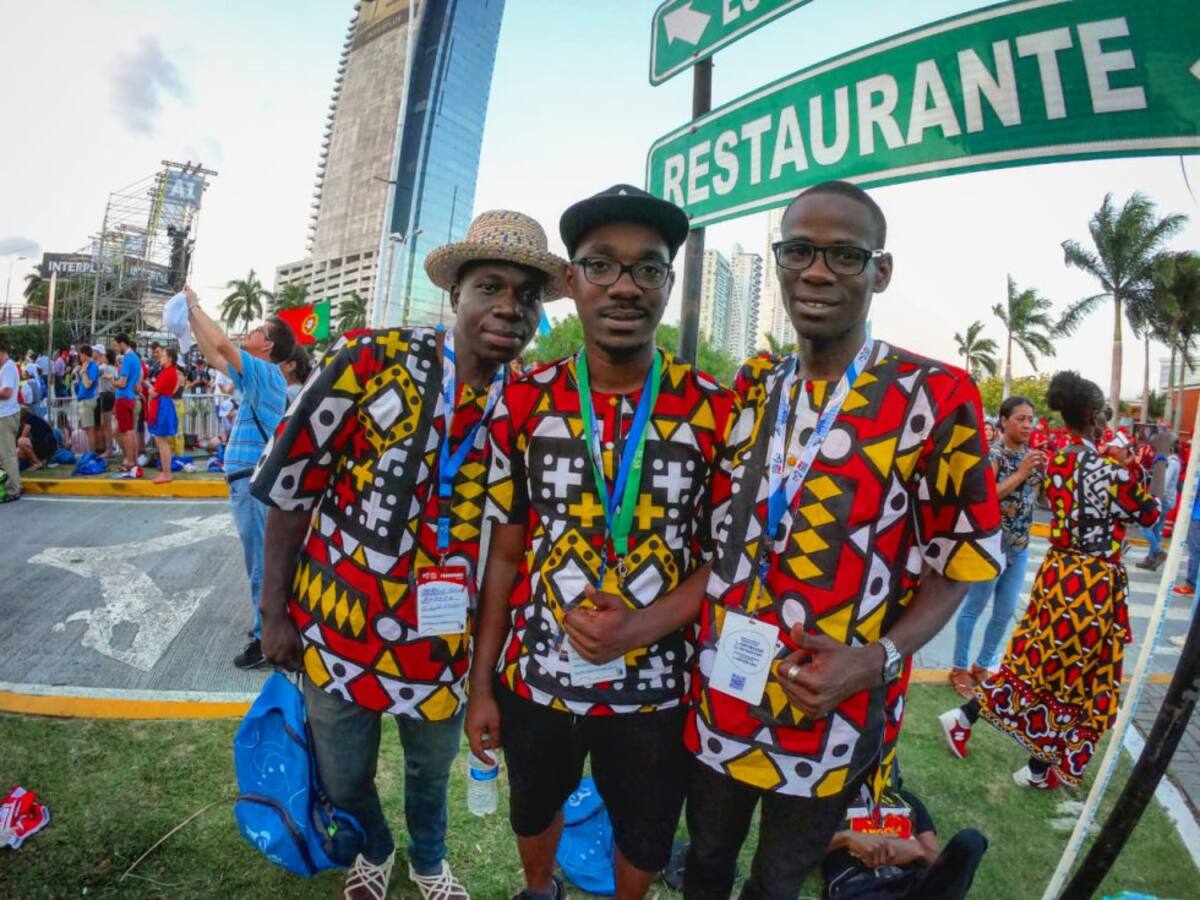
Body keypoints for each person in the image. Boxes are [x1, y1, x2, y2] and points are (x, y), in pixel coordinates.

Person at [682, 181, 1002, 900]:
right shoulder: (755, 386)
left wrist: (876, 659)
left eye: (844, 256)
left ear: (879, 271)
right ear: (780, 262)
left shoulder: (936, 395)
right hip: (724, 686)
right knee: (705, 856)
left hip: (833, 706)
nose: (817, 272)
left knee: (778, 880)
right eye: (798, 251)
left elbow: (960, 563)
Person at [254, 210, 566, 900]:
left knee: (430, 773)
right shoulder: (371, 358)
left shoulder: (527, 402)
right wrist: (272, 613)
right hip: (338, 624)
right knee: (343, 775)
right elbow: (290, 483)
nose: (510, 308)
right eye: (490, 287)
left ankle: (428, 861)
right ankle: (376, 849)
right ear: (456, 293)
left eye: (527, 296)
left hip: (443, 641)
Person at [469, 186, 739, 900]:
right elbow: (505, 553)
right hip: (537, 676)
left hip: (658, 688)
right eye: (600, 265)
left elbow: (727, 559)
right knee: (533, 806)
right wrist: (481, 684)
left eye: (647, 268)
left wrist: (640, 628)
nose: (624, 285)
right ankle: (540, 891)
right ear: (571, 280)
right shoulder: (524, 400)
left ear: (668, 284)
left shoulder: (715, 410)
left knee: (645, 830)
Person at [939, 371, 1159, 789]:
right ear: (1092, 416)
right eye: (1103, 414)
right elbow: (1149, 514)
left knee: (1046, 667)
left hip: (1058, 573)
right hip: (1091, 584)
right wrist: (1139, 468)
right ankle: (988, 733)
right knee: (1073, 674)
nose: (1106, 421)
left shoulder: (1057, 462)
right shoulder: (1108, 470)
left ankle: (1034, 765)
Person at [184, 288, 294, 669]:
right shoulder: (256, 378)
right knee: (258, 559)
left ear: (269, 346)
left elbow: (221, 345)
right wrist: (190, 317)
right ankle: (267, 630)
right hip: (245, 481)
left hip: (250, 481)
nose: (252, 331)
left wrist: (195, 306)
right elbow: (212, 355)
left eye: (260, 330)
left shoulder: (266, 374)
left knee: (260, 562)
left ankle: (265, 640)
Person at [948, 396, 1044, 696]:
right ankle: (959, 668)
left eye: (1030, 419)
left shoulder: (1032, 457)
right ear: (1004, 421)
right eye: (1020, 419)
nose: (1027, 425)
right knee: (973, 608)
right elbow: (985, 497)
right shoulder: (993, 455)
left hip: (1019, 546)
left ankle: (982, 665)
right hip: (990, 546)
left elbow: (1039, 499)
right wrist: (1021, 474)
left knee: (1005, 611)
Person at [821, 778, 987, 900]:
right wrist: (847, 838)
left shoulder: (907, 800)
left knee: (971, 841)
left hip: (912, 883)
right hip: (860, 886)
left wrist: (918, 850)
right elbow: (806, 849)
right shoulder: (831, 800)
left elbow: (938, 864)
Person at [1136, 431, 1175, 570]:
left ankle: (1158, 552)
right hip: (1166, 500)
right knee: (1156, 530)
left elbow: (1163, 482)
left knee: (1144, 527)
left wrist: (1152, 500)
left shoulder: (1168, 462)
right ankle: (1152, 559)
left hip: (1161, 500)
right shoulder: (1170, 461)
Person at [109, 333, 144, 478]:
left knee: (126, 431)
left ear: (122, 343)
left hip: (123, 398)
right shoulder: (135, 358)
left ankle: (130, 461)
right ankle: (132, 460)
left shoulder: (128, 359)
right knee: (126, 431)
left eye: (116, 345)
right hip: (130, 397)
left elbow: (122, 383)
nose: (116, 348)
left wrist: (112, 381)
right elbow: (136, 383)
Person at [147, 347, 181, 485]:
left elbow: (154, 392)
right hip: (164, 404)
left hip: (162, 406)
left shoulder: (167, 373)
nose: (161, 357)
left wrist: (151, 389)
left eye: (163, 356)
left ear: (170, 358)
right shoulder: (171, 372)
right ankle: (166, 472)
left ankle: (166, 473)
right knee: (161, 440)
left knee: (162, 441)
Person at [0, 342, 21, 503]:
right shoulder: (7, 367)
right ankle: (9, 485)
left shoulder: (8, 368)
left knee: (8, 455)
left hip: (5, 416)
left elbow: (7, 393)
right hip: (6, 414)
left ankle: (13, 489)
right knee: (4, 455)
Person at [74, 344, 100, 453]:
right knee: (87, 427)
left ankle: (91, 453)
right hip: (84, 399)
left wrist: (84, 372)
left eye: (80, 355)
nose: (79, 357)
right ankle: (90, 452)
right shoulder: (88, 366)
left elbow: (88, 384)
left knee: (90, 429)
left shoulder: (92, 366)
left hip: (88, 400)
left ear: (84, 354)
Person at [96, 347, 117, 459]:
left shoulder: (102, 367)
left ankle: (109, 450)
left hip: (105, 395)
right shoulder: (114, 368)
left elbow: (95, 374)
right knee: (107, 424)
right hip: (111, 395)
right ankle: (109, 448)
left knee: (106, 425)